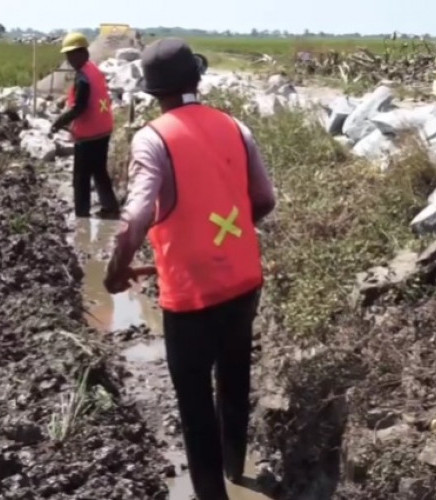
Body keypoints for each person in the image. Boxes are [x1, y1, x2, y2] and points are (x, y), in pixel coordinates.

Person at [103, 38, 276, 500]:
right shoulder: (235, 127)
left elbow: (136, 217)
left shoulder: (152, 138)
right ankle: (238, 470)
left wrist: (115, 271)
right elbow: (264, 200)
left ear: (153, 91)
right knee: (235, 374)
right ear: (196, 78)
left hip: (190, 292)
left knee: (195, 402)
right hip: (242, 280)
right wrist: (228, 237)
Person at [51, 32, 120, 219]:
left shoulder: (83, 77)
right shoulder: (92, 69)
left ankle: (82, 215)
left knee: (81, 178)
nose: (69, 59)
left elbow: (79, 107)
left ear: (83, 53)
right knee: (99, 171)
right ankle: (110, 207)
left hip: (89, 135)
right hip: (103, 129)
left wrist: (58, 123)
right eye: (67, 55)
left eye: (72, 54)